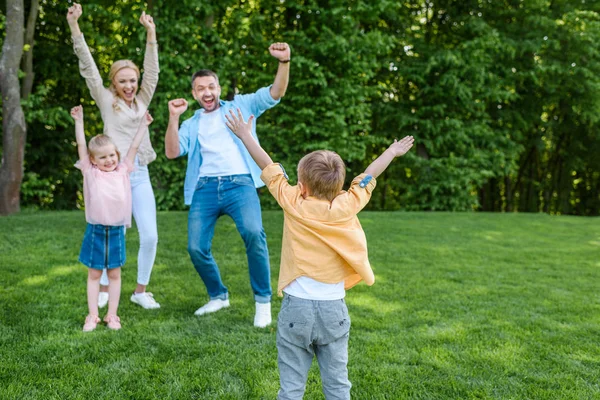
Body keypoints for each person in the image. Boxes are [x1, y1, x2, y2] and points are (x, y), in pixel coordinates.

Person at [225, 108, 415, 399]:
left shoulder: (293, 201)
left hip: (296, 310)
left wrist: (245, 135)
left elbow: (267, 165)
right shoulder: (348, 204)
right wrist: (391, 151)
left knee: (291, 388)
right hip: (334, 311)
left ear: (301, 186)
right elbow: (367, 176)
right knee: (338, 385)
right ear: (339, 185)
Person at [164, 42, 291, 327]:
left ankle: (262, 301)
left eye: (211, 86)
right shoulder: (193, 122)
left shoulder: (241, 105)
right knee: (196, 248)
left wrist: (284, 63)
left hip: (240, 184)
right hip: (205, 188)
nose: (207, 92)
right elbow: (173, 151)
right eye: (200, 88)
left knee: (253, 233)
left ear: (218, 88)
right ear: (194, 93)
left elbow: (276, 93)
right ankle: (218, 295)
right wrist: (173, 118)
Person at [67, 3, 161, 310]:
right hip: (111, 178)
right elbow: (89, 68)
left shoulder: (143, 98)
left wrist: (151, 33)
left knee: (149, 236)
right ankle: (105, 286)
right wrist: (74, 26)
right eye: (123, 81)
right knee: (110, 234)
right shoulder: (107, 101)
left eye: (133, 80)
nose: (129, 85)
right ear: (114, 84)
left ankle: (140, 291)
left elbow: (153, 71)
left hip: (139, 174)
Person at [71, 105, 154, 331]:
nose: (108, 160)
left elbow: (135, 146)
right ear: (93, 160)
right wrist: (79, 121)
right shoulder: (90, 172)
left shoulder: (123, 170)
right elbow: (80, 145)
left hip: (117, 231)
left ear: (116, 155)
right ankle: (92, 316)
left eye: (111, 155)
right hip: (96, 230)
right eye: (102, 157)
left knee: (115, 274)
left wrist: (143, 125)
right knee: (94, 274)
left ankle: (112, 316)